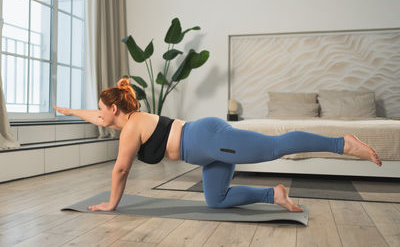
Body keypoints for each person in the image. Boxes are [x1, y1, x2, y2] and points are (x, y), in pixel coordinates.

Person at [53, 78, 382, 213]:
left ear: (114, 110)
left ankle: (343, 143)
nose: (98, 114)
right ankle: (274, 195)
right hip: (206, 153)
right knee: (216, 199)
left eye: (101, 109)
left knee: (275, 147)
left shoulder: (131, 129)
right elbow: (96, 118)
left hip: (209, 141)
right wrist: (69, 111)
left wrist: (112, 204)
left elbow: (121, 169)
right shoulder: (127, 119)